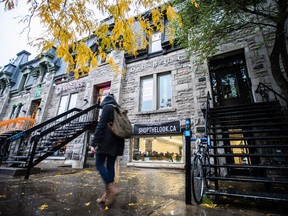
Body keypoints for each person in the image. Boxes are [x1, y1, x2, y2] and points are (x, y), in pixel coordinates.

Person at [92, 94, 125, 206]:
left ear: (104, 101)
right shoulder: (118, 109)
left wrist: (94, 142)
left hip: (107, 141)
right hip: (118, 141)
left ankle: (110, 188)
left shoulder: (107, 107)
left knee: (99, 163)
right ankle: (107, 196)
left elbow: (101, 125)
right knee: (110, 165)